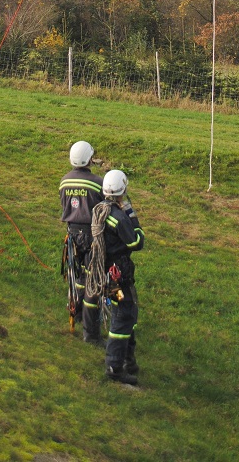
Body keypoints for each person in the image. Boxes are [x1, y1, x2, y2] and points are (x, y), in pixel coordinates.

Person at [89, 169, 144, 385]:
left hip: (106, 273)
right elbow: (136, 243)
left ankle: (129, 361)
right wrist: (133, 218)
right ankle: (114, 367)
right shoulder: (119, 218)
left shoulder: (100, 210)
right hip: (118, 277)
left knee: (125, 312)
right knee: (124, 314)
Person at [59, 141, 104, 343]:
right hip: (92, 236)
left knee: (76, 276)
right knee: (91, 280)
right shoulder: (97, 183)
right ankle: (90, 331)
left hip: (72, 235)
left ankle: (76, 312)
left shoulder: (64, 181)